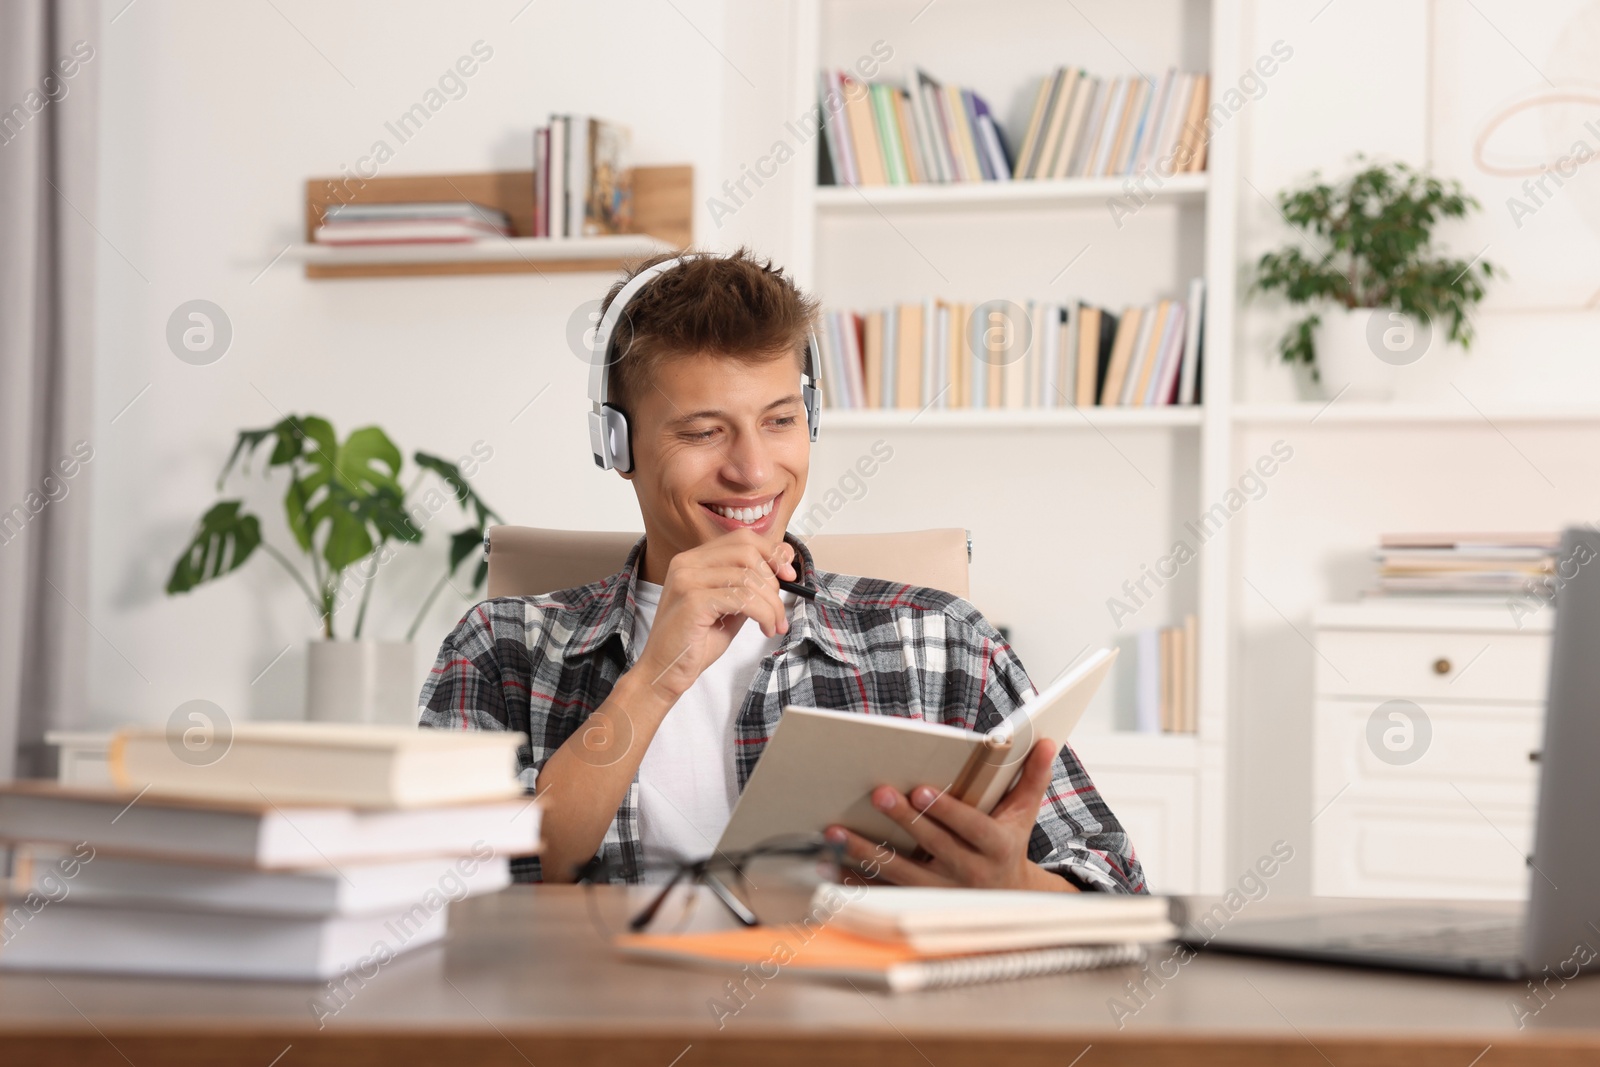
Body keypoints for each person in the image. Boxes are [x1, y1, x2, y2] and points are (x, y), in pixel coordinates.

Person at [418, 248, 1144, 893]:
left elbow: (1114, 881)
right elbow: (440, 887)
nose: (753, 470)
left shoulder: (943, 642)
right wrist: (654, 679)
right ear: (617, 444)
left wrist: (1015, 885)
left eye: (779, 420)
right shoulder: (500, 646)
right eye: (704, 431)